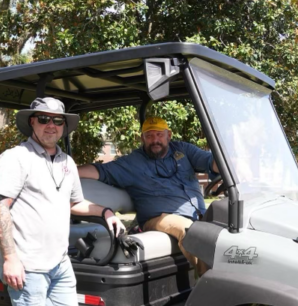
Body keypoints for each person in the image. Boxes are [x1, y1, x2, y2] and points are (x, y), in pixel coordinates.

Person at [0, 97, 125, 306]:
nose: (51, 125)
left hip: (58, 261)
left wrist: (105, 211)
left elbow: (75, 203)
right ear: (31, 122)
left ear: (64, 126)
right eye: (43, 119)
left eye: (57, 120)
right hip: (28, 262)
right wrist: (11, 257)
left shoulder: (65, 161)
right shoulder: (15, 158)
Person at [78, 116, 217, 275]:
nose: (155, 140)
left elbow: (210, 162)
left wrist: (230, 162)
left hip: (198, 216)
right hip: (159, 218)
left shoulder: (183, 150)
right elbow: (100, 171)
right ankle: (210, 283)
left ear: (168, 135)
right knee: (190, 232)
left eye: (159, 135)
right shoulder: (132, 162)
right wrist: (66, 170)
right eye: (149, 136)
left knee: (228, 227)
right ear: (142, 138)